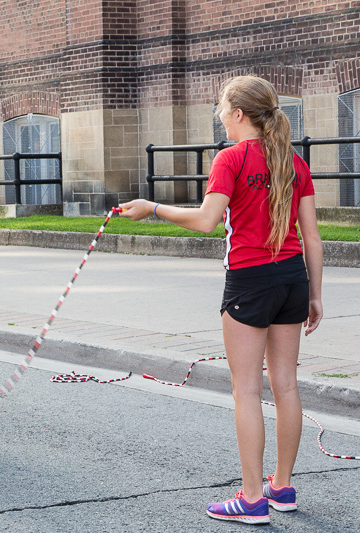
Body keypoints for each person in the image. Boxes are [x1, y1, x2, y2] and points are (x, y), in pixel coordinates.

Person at [120, 75, 323, 525]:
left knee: (247, 390)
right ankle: (281, 488)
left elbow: (208, 220)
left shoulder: (231, 159)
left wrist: (152, 207)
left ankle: (252, 498)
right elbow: (312, 236)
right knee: (286, 386)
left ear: (238, 114)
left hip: (250, 281)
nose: (218, 116)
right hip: (293, 279)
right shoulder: (292, 161)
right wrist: (315, 294)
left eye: (220, 108)